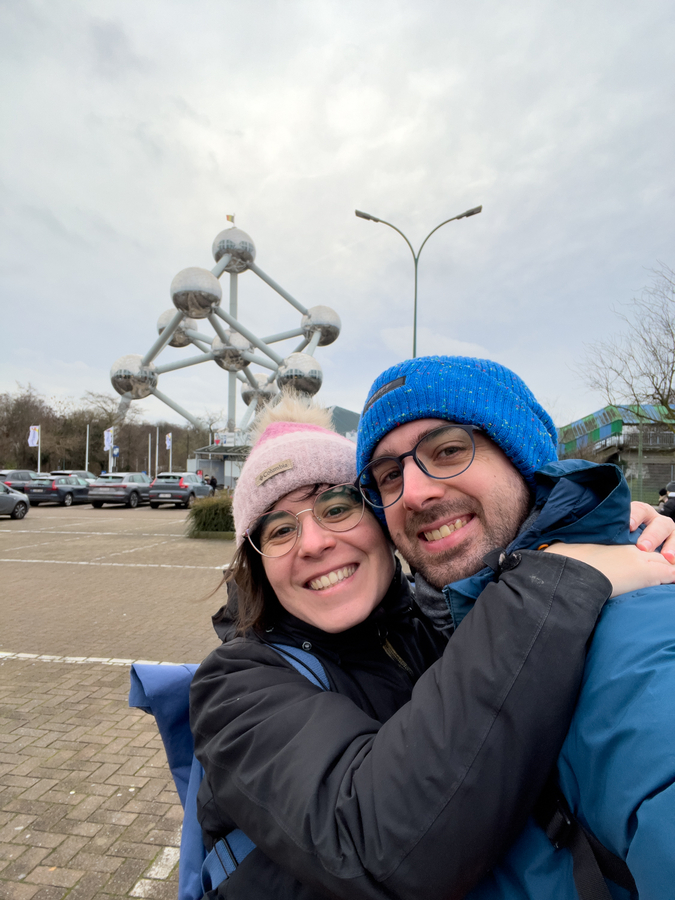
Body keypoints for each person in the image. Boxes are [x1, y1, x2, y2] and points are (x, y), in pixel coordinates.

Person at [190, 392, 674, 900]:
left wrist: (610, 532)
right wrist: (559, 579)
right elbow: (377, 843)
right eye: (280, 529)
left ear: (382, 522)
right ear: (259, 564)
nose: (312, 543)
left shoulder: (436, 625)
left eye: (336, 507)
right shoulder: (233, 687)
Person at [355, 355, 675, 899]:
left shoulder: (641, 631)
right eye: (389, 476)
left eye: (449, 450)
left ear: (524, 460)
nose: (413, 492)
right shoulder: (430, 625)